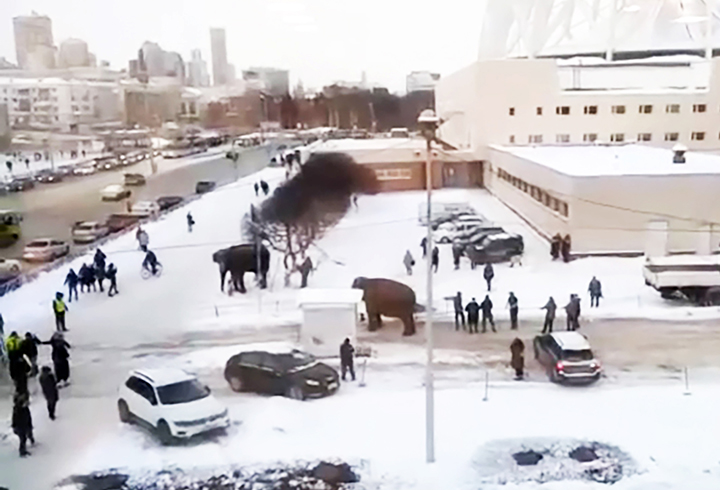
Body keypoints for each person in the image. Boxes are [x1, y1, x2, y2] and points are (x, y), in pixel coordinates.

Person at [12, 392, 34, 457]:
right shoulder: (19, 409)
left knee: (25, 436)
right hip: (21, 427)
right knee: (23, 439)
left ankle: (30, 440)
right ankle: (22, 451)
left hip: (23, 425)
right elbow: (18, 419)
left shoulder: (22, 408)